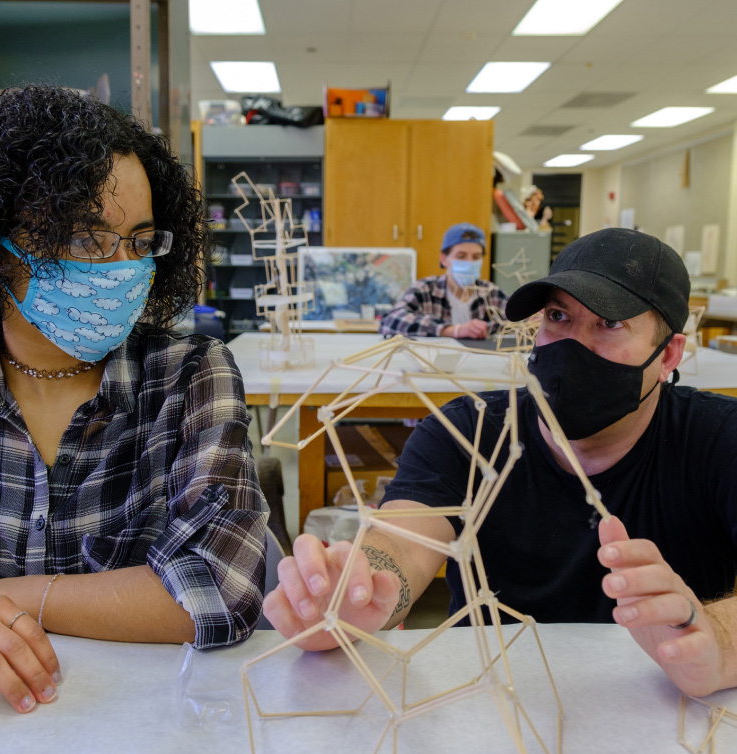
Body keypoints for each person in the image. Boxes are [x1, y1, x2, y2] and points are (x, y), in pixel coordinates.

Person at [265, 227, 737, 698]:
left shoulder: (719, 438)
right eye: (558, 316)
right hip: (489, 706)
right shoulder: (466, 431)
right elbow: (403, 542)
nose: (573, 345)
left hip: (664, 712)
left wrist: (718, 641)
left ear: (668, 354)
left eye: (609, 324)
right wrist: (361, 587)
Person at [0, 85, 267, 722]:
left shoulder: (188, 374)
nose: (122, 269)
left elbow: (218, 592)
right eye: (89, 241)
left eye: (140, 241)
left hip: (141, 734)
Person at [378, 223, 507, 340]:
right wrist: (449, 330)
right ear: (444, 258)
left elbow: (517, 323)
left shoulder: (491, 293)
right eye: (461, 256)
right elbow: (390, 321)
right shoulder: (425, 290)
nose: (469, 262)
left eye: (476, 257)